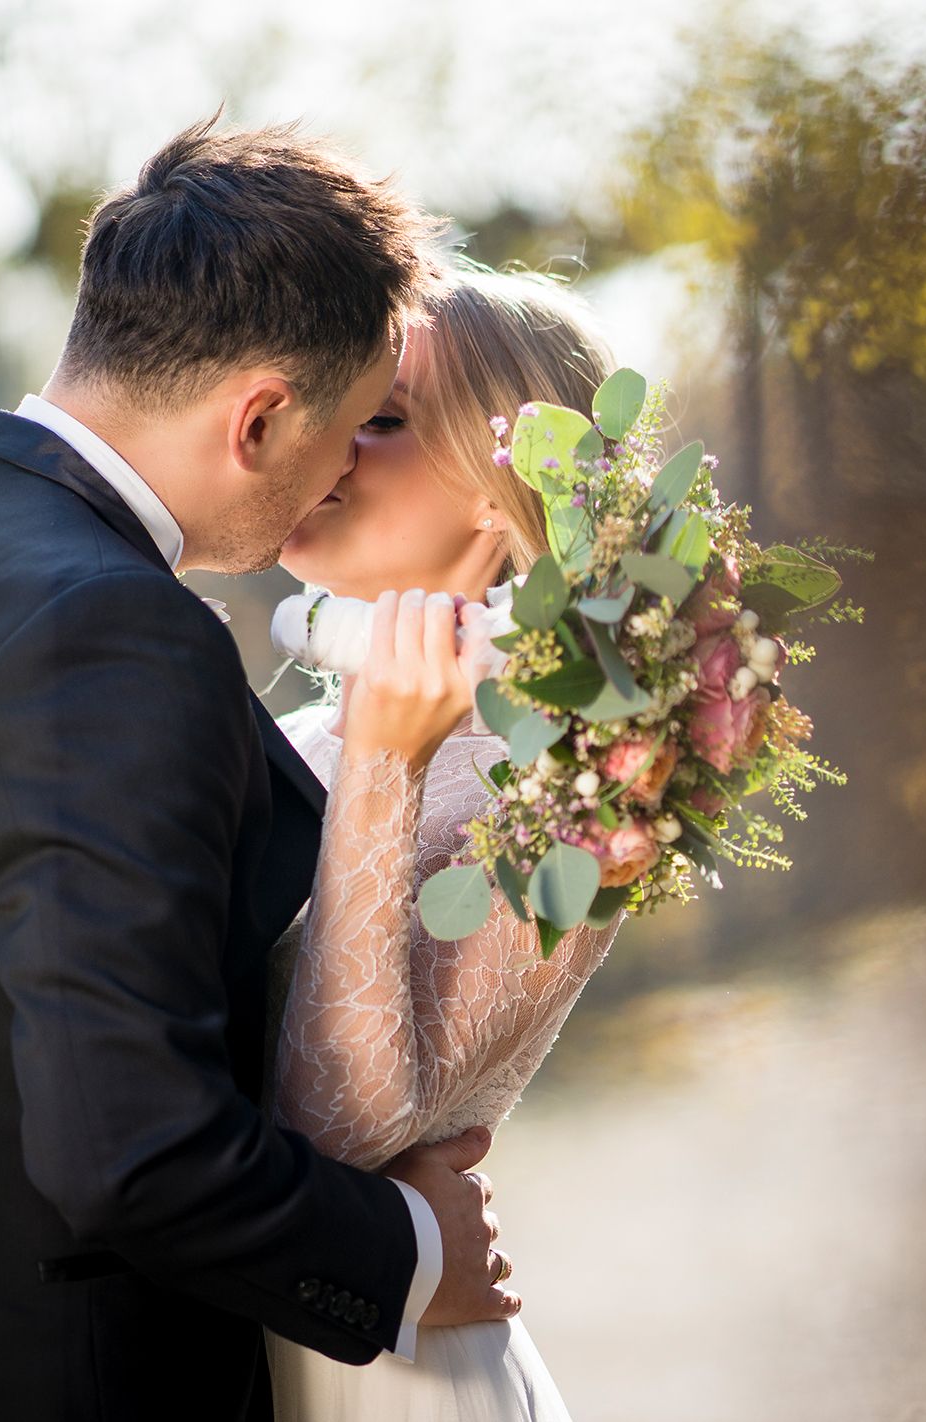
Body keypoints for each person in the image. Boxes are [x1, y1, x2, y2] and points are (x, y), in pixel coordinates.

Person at [0, 120, 520, 1419]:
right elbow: (132, 1147)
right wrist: (416, 1255)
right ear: (262, 416)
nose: (337, 478)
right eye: (347, 431)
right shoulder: (107, 628)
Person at [261, 265, 627, 1421]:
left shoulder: (578, 783)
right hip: (244, 1333)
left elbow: (346, 1127)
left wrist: (384, 758)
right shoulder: (299, 731)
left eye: (379, 419)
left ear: (502, 486)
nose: (329, 443)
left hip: (391, 1370)